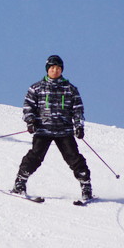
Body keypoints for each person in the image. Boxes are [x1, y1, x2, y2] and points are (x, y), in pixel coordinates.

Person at [11, 55, 92, 201]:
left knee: (73, 158)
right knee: (35, 157)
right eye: (52, 68)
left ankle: (86, 186)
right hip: (43, 129)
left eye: (58, 68)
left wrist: (79, 126)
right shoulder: (36, 88)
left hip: (64, 131)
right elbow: (28, 106)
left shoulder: (70, 89)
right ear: (47, 69)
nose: (55, 70)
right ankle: (20, 183)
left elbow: (78, 109)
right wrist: (30, 121)